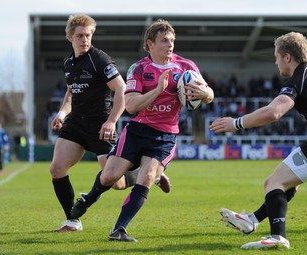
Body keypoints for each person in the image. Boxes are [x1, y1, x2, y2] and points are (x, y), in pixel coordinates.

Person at [209, 32, 307, 250]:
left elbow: (273, 112)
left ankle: (277, 237)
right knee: (288, 180)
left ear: (288, 57)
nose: (275, 62)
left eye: (276, 57)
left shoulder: (300, 77)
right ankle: (252, 220)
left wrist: (235, 124)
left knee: (273, 183)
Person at [70, 19, 214, 242]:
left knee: (146, 176)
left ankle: (119, 229)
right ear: (150, 44)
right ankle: (87, 199)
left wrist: (205, 95)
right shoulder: (138, 69)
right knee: (110, 176)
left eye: (172, 41)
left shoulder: (186, 66)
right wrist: (158, 90)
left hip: (165, 135)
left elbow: (209, 93)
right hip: (138, 130)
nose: (170, 45)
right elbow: (131, 106)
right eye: (164, 41)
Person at [50, 14, 171, 233]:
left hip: (100, 125)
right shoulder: (68, 62)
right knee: (57, 168)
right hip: (76, 123)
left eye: (88, 35)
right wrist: (61, 114)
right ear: (70, 37)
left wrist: (112, 121)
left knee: (116, 183)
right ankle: (72, 220)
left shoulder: (99, 59)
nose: (85, 40)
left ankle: (151, 174)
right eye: (80, 36)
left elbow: (121, 88)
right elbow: (71, 93)